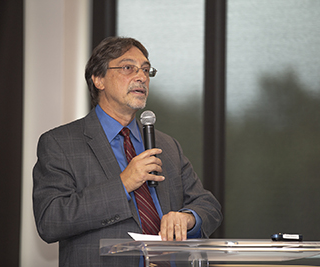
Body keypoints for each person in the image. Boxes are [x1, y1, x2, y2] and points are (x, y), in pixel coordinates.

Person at [33, 36, 222, 266]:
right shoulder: (60, 143)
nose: (141, 76)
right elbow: (50, 220)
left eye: (145, 69)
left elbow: (208, 205)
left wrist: (188, 218)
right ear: (98, 79)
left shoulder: (167, 146)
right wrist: (122, 184)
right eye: (128, 68)